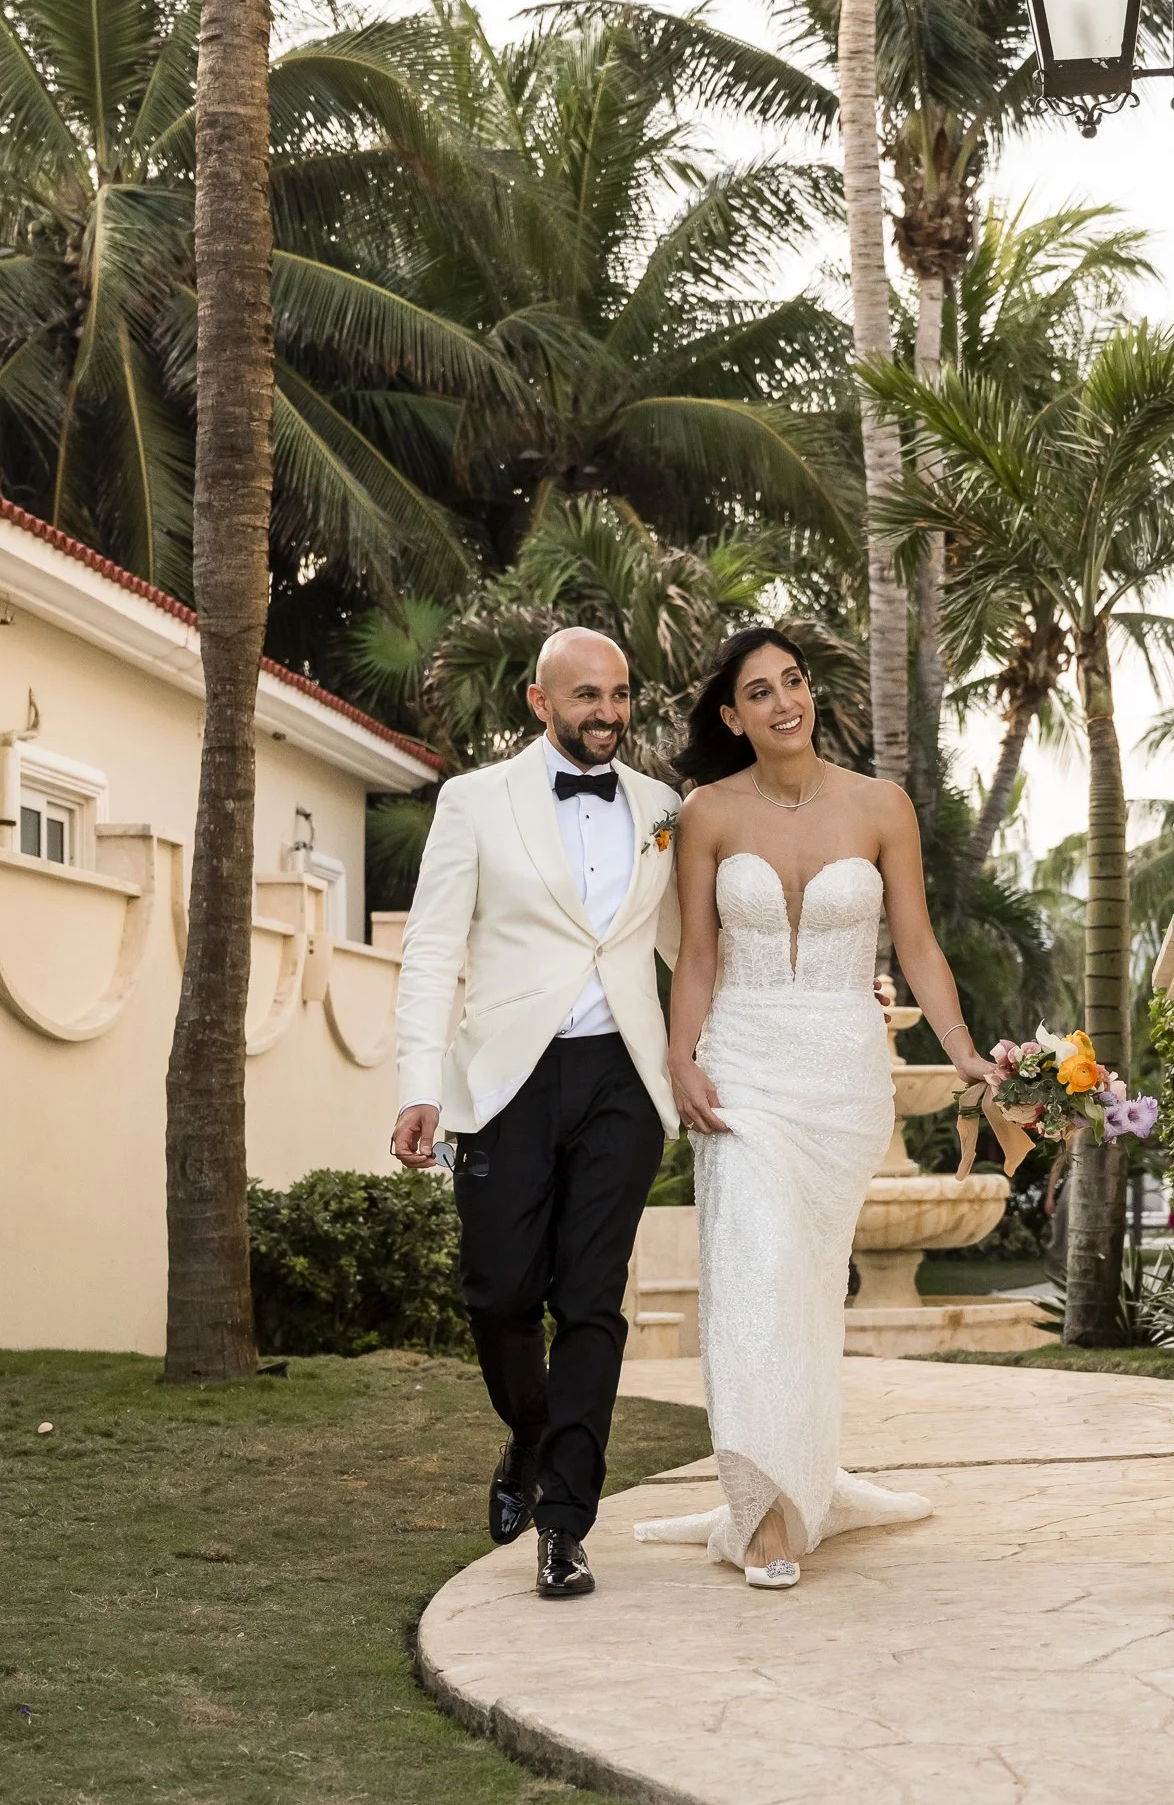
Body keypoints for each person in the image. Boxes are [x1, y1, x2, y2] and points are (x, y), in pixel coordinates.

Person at [634, 625, 1001, 1590]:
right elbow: (698, 954)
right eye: (759, 691)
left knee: (803, 1292)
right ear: (731, 716)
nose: (784, 701)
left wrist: (962, 1050)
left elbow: (916, 944)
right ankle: (761, 1514)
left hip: (842, 1076)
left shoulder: (882, 805)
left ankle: (805, 1478)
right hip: (743, 1063)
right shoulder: (708, 813)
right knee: (750, 1277)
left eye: (792, 681)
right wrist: (681, 1057)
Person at [391, 629, 681, 1600]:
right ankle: (530, 1433)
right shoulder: (474, 801)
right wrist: (418, 1082)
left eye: (620, 693)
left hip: (622, 1078)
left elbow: (692, 945)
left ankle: (565, 1520)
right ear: (539, 700)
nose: (608, 711)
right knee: (500, 1293)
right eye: (587, 694)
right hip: (506, 1077)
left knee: (592, 1300)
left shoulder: (662, 808)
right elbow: (432, 948)